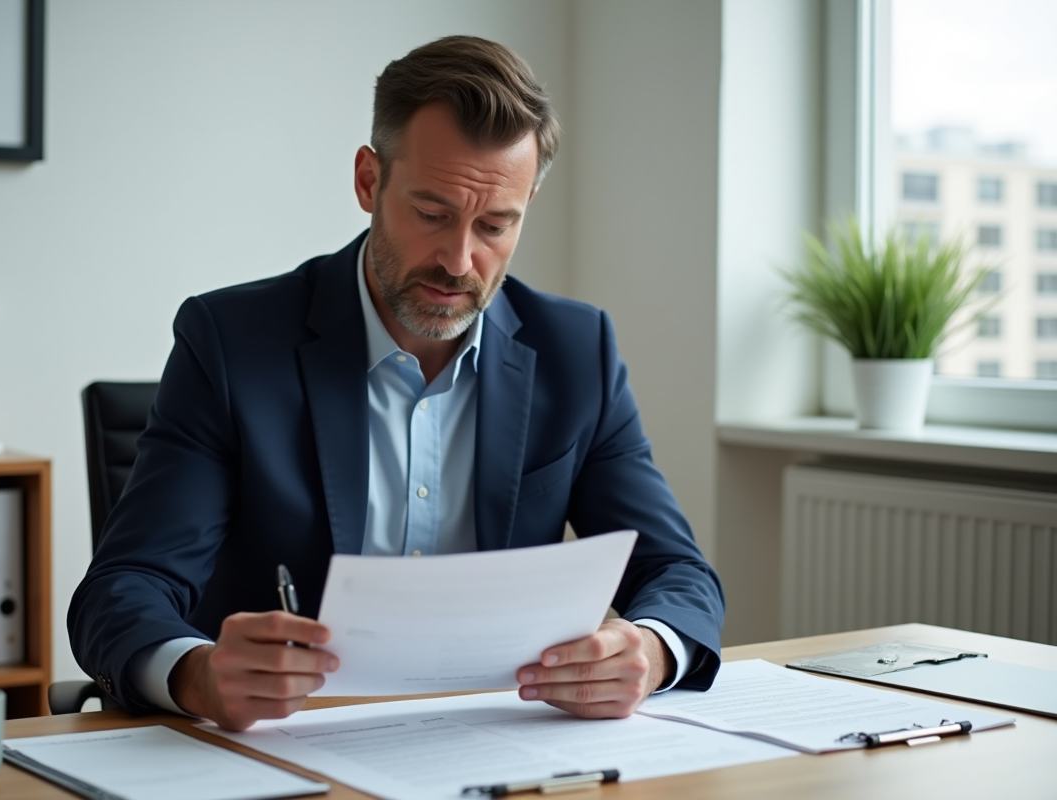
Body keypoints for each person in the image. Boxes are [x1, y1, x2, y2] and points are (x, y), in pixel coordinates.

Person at [69, 35, 724, 732]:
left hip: (492, 741)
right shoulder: (230, 341)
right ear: (368, 182)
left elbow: (679, 575)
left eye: (496, 225)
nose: (459, 259)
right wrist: (195, 674)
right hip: (286, 748)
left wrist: (650, 652)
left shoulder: (576, 351)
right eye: (433, 214)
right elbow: (121, 587)